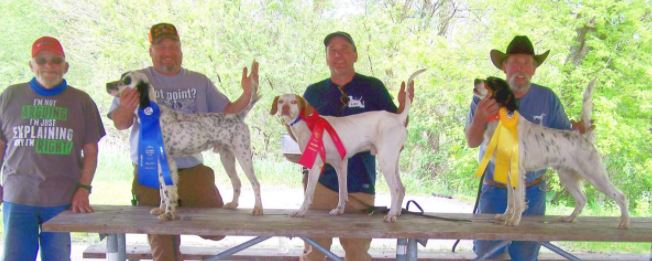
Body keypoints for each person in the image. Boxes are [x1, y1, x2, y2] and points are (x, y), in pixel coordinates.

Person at [108, 23, 256, 261]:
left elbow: (227, 112)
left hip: (193, 169)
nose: (168, 51)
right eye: (161, 46)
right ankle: (172, 248)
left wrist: (246, 95)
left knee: (216, 230)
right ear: (151, 51)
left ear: (180, 50)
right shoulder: (136, 79)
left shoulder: (199, 81)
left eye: (173, 46)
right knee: (163, 243)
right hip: (150, 168)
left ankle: (176, 226)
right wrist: (126, 106)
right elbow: (120, 123)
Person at [466, 35, 585, 260]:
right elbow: (472, 142)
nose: (521, 68)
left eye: (527, 63)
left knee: (526, 256)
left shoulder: (547, 97)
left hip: (534, 190)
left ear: (534, 69)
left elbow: (564, 137)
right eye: (515, 62)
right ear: (505, 67)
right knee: (487, 255)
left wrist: (579, 130)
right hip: (494, 191)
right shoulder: (486, 97)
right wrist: (480, 117)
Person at [299, 31, 413, 261]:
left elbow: (394, 128)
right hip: (322, 184)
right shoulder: (313, 92)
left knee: (357, 253)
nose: (338, 54)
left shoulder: (373, 87)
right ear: (326, 57)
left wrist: (403, 107)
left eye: (344, 49)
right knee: (313, 253)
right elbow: (302, 134)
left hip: (361, 184)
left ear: (355, 55)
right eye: (332, 50)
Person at [0, 36, 106, 261]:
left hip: (62, 198)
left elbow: (91, 151)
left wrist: (83, 188)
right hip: (18, 195)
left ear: (65, 67)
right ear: (31, 65)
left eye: (56, 61)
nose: (49, 66)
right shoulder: (10, 96)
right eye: (42, 60)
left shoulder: (81, 100)